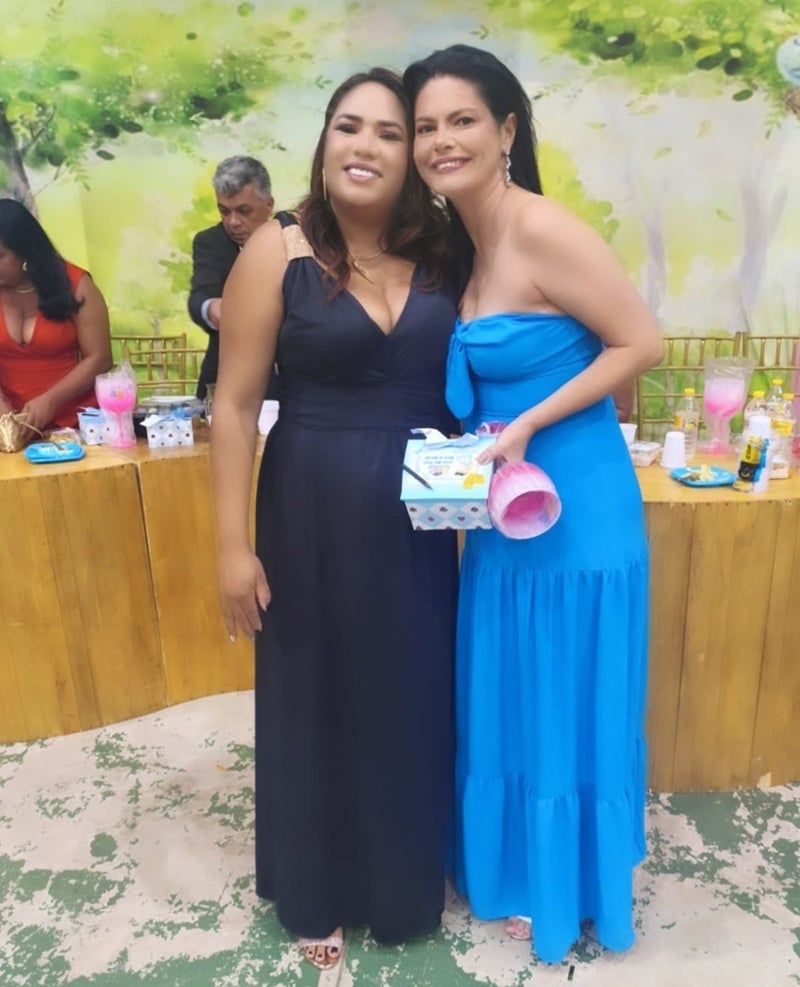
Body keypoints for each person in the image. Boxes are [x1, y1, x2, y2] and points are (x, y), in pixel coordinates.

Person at [404, 45, 664, 964]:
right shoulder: (464, 244)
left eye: (462, 120)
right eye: (426, 126)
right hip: (502, 513)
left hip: (575, 515)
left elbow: (641, 343)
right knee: (513, 691)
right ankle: (519, 864)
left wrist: (526, 423)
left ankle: (569, 885)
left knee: (560, 691)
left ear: (507, 128)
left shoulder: (542, 226)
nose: (442, 141)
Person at [209, 69, 459, 971]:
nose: (366, 146)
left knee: (408, 693)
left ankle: (400, 881)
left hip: (419, 520)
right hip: (308, 504)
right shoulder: (274, 252)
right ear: (323, 141)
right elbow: (235, 405)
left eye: (390, 132)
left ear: (412, 155)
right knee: (314, 695)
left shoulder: (445, 254)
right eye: (349, 126)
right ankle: (315, 884)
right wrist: (232, 546)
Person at [0, 198, 111, 431]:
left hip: (77, 426)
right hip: (11, 428)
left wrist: (50, 400)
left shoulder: (75, 284)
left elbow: (99, 358)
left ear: (25, 252)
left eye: (0, 256)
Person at [188, 155, 279, 400]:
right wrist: (213, 309)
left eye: (244, 211)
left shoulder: (293, 240)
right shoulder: (210, 242)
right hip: (224, 382)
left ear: (269, 204)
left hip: (286, 385)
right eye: (224, 211)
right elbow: (199, 298)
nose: (233, 222)